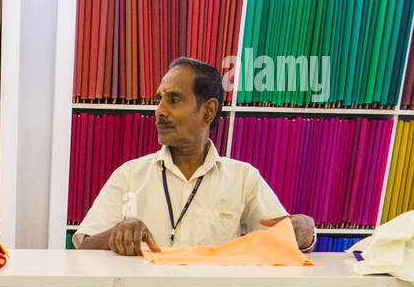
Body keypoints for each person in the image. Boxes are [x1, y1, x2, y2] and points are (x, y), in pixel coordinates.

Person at [73, 58, 316, 256]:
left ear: (208, 111)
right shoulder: (130, 175)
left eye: (174, 100)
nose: (159, 111)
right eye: (159, 100)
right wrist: (116, 232)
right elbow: (84, 247)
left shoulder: (243, 178)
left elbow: (284, 238)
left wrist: (305, 233)